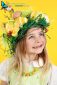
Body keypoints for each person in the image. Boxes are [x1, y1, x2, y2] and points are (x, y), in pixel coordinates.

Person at [0, 11, 57, 85]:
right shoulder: (8, 65)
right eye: (31, 37)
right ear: (20, 42)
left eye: (41, 34)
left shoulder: (51, 71)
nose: (39, 40)